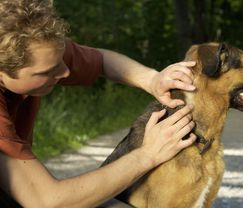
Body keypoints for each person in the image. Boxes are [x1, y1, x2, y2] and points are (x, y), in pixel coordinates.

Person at [0, 0, 197, 207]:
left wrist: (152, 80)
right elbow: (47, 201)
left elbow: (102, 60)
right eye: (46, 72)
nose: (65, 71)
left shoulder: (38, 49)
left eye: (61, 60)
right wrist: (147, 155)